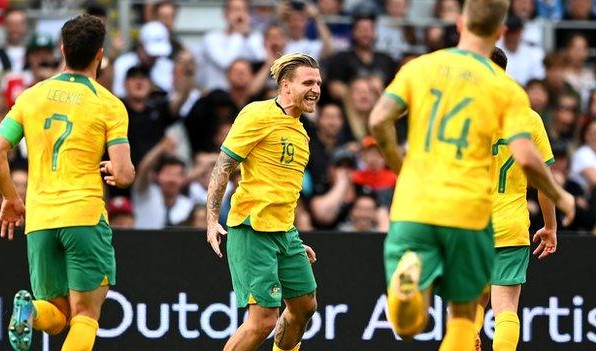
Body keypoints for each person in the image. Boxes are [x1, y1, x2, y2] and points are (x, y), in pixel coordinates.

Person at [367, 0, 575, 349]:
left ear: (460, 24)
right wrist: (559, 199)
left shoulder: (423, 68)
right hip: (484, 217)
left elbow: (377, 121)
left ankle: (410, 292)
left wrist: (399, 166)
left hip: (420, 205)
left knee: (417, 324)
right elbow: (527, 160)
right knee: (492, 309)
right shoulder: (510, 97)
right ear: (501, 32)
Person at [0, 14, 134, 351]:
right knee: (85, 316)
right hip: (83, 216)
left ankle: (31, 310)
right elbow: (123, 175)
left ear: (62, 49)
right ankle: (34, 311)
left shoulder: (31, 96)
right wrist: (115, 170)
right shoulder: (109, 104)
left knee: (56, 316)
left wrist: (10, 199)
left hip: (39, 219)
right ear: (100, 54)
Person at [206, 53, 320, 351]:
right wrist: (211, 219)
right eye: (308, 82)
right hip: (252, 228)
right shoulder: (257, 114)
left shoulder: (302, 134)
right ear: (285, 86)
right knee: (263, 320)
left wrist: (289, 237)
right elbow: (223, 166)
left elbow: (284, 189)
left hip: (284, 233)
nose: (316, 89)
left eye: (318, 83)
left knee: (304, 306)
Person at [472, 47, 558, 351]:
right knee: (506, 305)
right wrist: (550, 226)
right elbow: (543, 181)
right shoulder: (528, 119)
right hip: (510, 226)